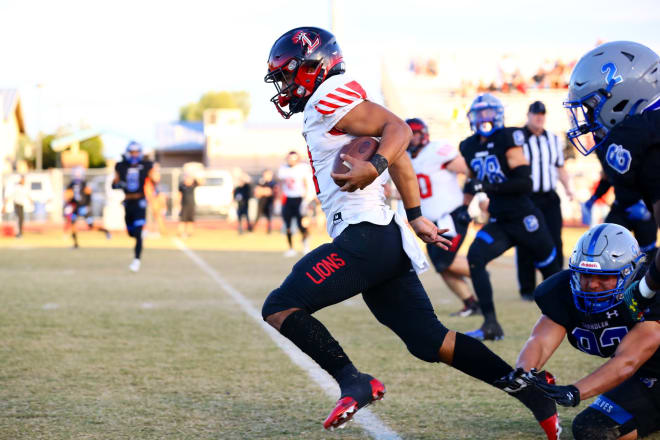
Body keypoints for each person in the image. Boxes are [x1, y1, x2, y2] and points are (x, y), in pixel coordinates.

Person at [262, 26, 560, 438]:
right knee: (429, 340)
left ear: (314, 67)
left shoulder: (330, 97)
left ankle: (354, 381)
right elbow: (397, 148)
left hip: (366, 238)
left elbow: (398, 132)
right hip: (381, 238)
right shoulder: (335, 102)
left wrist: (375, 166)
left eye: (289, 74)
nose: (286, 85)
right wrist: (417, 215)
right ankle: (531, 393)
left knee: (280, 306)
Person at [512, 224, 660, 439]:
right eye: (586, 275)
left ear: (630, 273)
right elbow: (540, 341)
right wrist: (524, 377)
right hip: (647, 378)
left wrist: (575, 391)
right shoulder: (563, 291)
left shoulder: (651, 293)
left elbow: (627, 361)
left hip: (641, 371)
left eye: (604, 277)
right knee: (591, 428)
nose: (592, 285)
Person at [563, 40, 660, 324]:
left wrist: (643, 292)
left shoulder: (645, 141)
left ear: (621, 97)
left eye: (592, 106)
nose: (588, 118)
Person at [460, 93, 561, 341]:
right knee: (475, 257)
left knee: (551, 266)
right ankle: (490, 325)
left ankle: (571, 319)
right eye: (479, 113)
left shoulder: (508, 137)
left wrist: (489, 188)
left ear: (498, 115)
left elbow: (524, 182)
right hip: (500, 221)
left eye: (488, 112)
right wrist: (463, 209)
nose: (484, 118)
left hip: (524, 215)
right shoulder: (469, 145)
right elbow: (472, 180)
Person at [405, 117, 480, 317]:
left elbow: (472, 172)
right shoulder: (404, 158)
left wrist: (466, 202)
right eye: (408, 135)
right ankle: (470, 303)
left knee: (445, 261)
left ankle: (482, 274)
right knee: (440, 265)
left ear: (424, 134)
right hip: (429, 222)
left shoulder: (437, 150)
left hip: (451, 217)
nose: (411, 140)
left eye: (415, 135)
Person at [516, 101, 574, 301]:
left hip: (549, 196)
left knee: (555, 240)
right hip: (527, 197)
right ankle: (526, 288)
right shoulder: (518, 138)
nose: (539, 117)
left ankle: (555, 284)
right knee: (525, 241)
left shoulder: (553, 139)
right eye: (536, 113)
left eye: (542, 114)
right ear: (528, 115)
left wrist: (568, 188)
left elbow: (559, 167)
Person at [582, 174, 657, 261]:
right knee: (608, 242)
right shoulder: (608, 162)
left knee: (648, 254)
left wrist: (648, 205)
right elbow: (606, 178)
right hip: (620, 208)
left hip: (645, 209)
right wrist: (594, 197)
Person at [112, 141, 154, 272]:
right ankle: (139, 234)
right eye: (132, 152)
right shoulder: (121, 165)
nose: (134, 154)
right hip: (127, 202)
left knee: (138, 231)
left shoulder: (146, 165)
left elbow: (155, 179)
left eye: (137, 152)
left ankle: (136, 260)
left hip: (140, 201)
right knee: (131, 233)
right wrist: (119, 185)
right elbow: (114, 184)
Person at [64, 166, 111, 248]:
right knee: (72, 223)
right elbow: (68, 195)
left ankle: (106, 231)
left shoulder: (84, 183)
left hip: (83, 207)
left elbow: (89, 195)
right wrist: (69, 204)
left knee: (91, 225)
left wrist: (87, 206)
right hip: (76, 207)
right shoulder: (71, 184)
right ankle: (75, 244)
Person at [277, 151, 310, 256]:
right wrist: (278, 200)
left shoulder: (302, 168)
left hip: (299, 199)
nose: (291, 161)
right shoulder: (283, 169)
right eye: (290, 158)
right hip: (287, 199)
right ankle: (291, 248)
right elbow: (281, 185)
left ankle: (306, 246)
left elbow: (306, 183)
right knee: (287, 225)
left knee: (302, 224)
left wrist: (306, 200)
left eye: (293, 158)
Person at [254, 169, 276, 233]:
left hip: (269, 202)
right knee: (257, 216)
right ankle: (254, 229)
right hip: (261, 202)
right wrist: (265, 191)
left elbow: (271, 192)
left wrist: (263, 191)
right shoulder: (261, 182)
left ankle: (269, 230)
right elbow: (257, 192)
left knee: (269, 216)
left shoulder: (273, 183)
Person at [178, 172, 198, 237]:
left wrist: (195, 176)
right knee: (183, 220)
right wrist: (178, 203)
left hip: (191, 205)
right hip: (184, 205)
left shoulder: (193, 185)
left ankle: (189, 233)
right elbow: (179, 194)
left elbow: (201, 182)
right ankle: (181, 232)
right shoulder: (182, 185)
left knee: (191, 220)